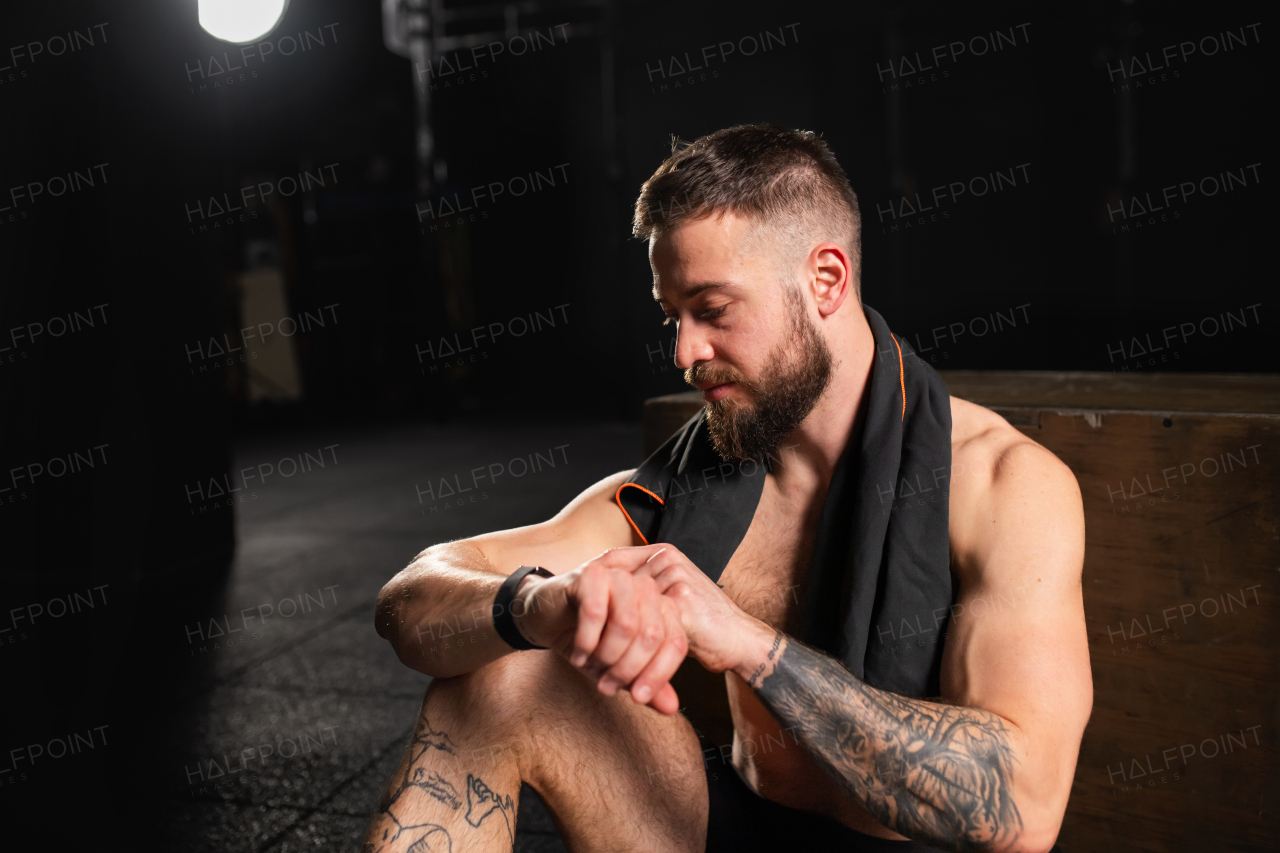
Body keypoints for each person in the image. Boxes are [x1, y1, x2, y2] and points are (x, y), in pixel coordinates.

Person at [362, 124, 1090, 853]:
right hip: (738, 828)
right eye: (672, 316)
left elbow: (1022, 809)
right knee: (498, 680)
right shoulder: (689, 476)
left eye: (712, 310)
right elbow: (409, 597)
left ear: (826, 280)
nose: (684, 353)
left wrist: (750, 645)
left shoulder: (1004, 483)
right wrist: (541, 604)